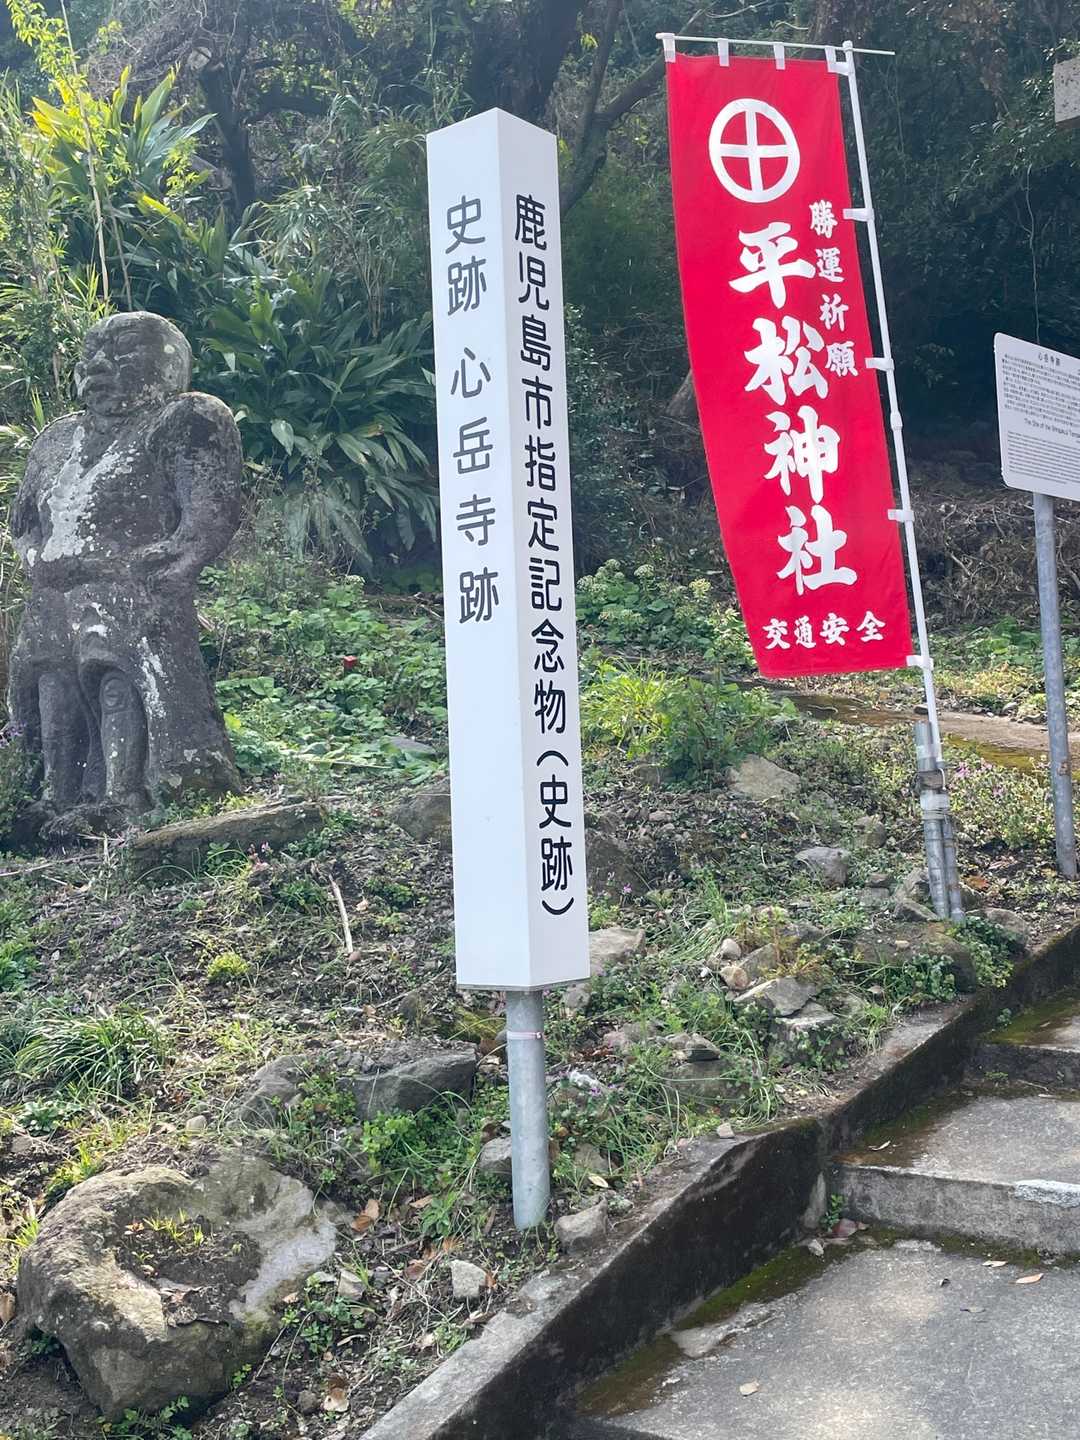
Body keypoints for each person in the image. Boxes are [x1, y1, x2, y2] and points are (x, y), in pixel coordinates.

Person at [7, 311, 243, 815]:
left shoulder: (183, 418)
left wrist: (162, 565)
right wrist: (35, 559)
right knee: (50, 681)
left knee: (116, 675)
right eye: (91, 353)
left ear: (167, 361)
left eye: (122, 349)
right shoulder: (55, 440)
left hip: (130, 585)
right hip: (52, 591)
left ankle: (123, 793)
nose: (98, 365)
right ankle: (53, 794)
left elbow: (208, 518)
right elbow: (22, 523)